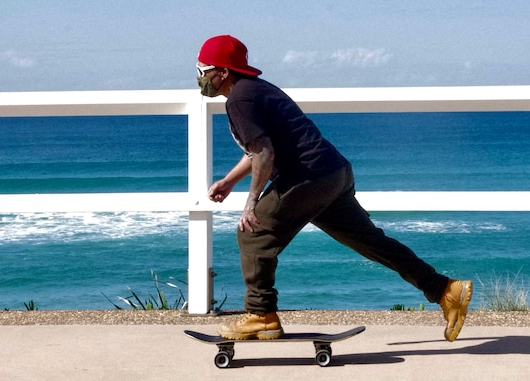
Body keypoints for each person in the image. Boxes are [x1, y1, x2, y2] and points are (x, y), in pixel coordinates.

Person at [195, 35, 472, 342]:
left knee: (254, 232)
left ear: (223, 71)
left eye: (203, 69)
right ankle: (445, 290)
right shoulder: (256, 90)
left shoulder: (240, 99)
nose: (200, 77)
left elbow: (263, 153)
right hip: (332, 172)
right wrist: (230, 180)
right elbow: (260, 150)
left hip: (309, 177)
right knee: (371, 242)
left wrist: (251, 203)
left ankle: (261, 316)